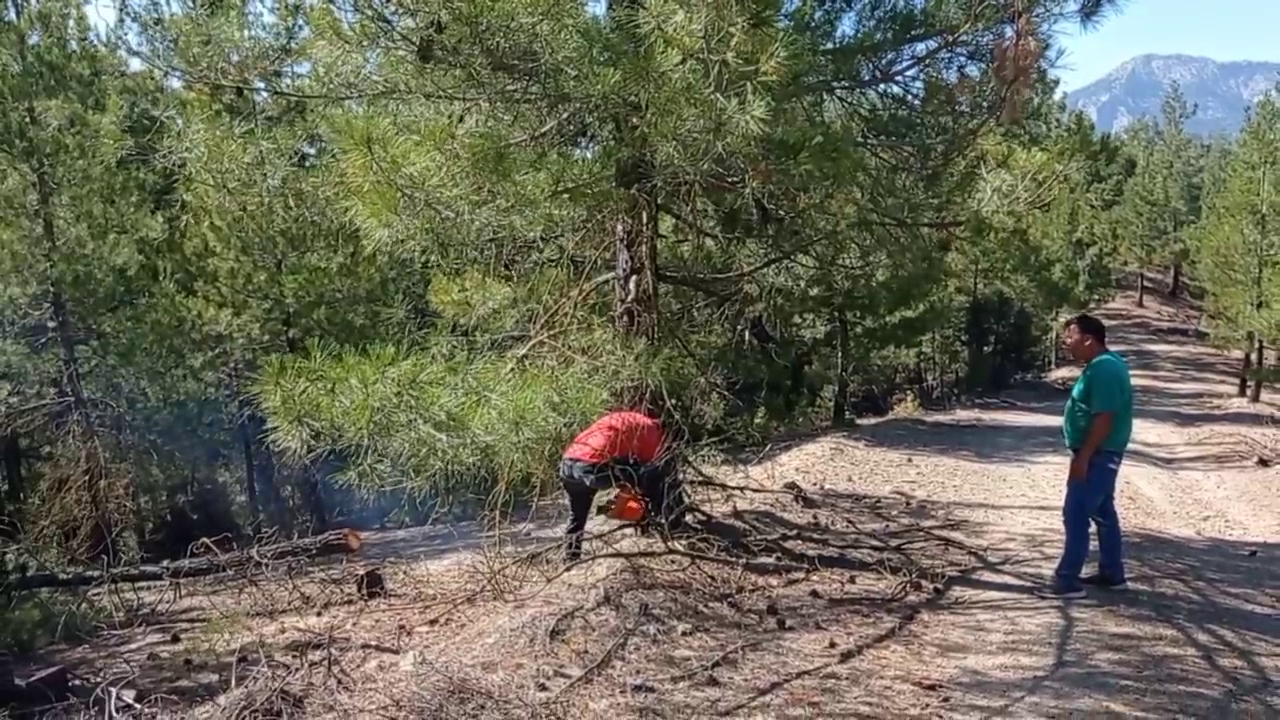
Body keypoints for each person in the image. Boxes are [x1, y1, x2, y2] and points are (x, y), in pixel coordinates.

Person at [1038, 313, 1133, 599]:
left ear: (1089, 338)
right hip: (1100, 453)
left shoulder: (1104, 369)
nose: (1067, 342)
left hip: (1098, 455)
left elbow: (1105, 417)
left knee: (1076, 512)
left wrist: (1084, 457)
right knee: (1103, 513)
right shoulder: (1103, 365)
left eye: (1071, 336)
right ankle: (1112, 574)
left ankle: (1067, 580)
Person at [558, 409, 683, 563]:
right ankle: (652, 525)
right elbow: (653, 473)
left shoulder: (628, 420)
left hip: (568, 463)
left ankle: (570, 558)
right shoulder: (652, 430)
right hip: (593, 466)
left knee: (577, 516)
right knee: (645, 478)